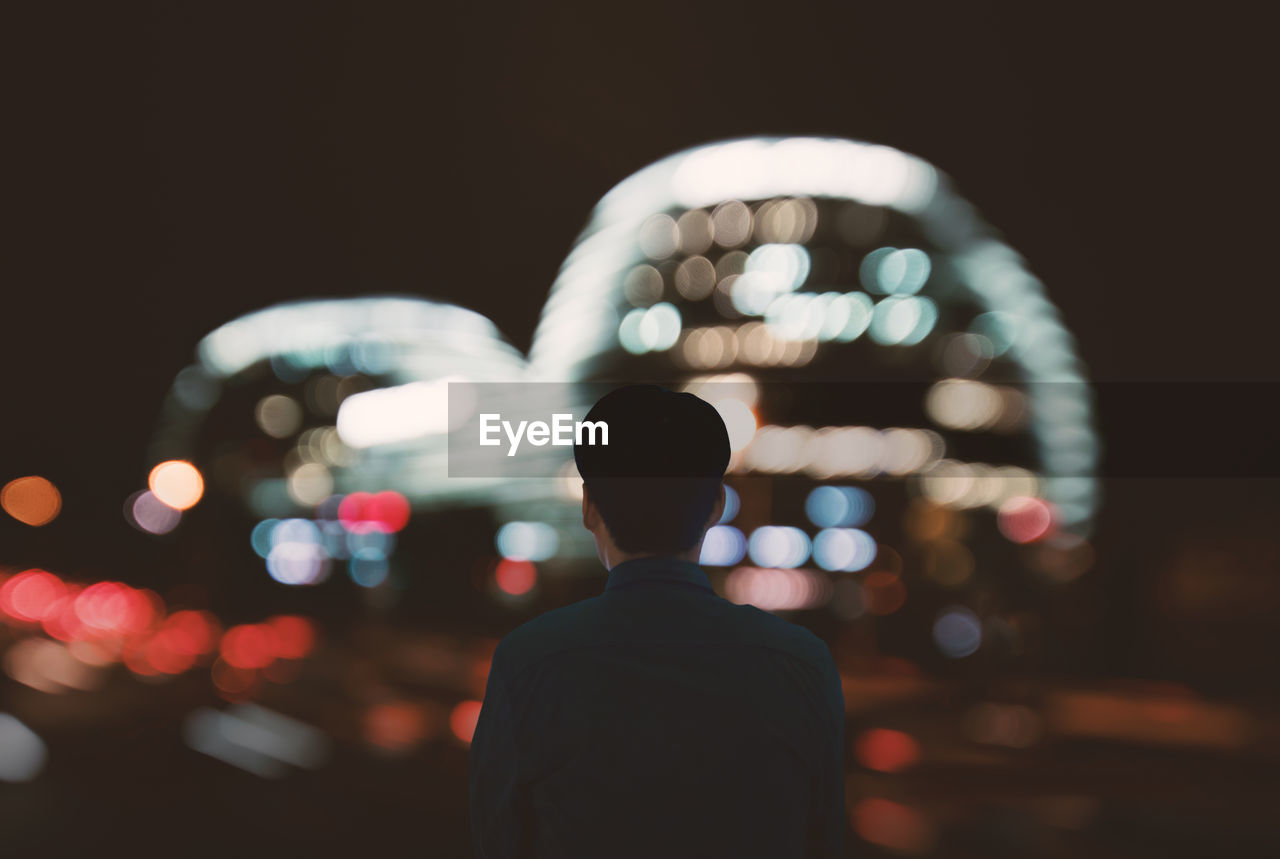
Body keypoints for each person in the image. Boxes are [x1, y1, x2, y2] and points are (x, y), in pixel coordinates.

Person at [469, 384, 847, 858]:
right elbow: (826, 837)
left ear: (589, 507)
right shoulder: (802, 665)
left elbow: (497, 839)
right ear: (715, 506)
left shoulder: (529, 662)